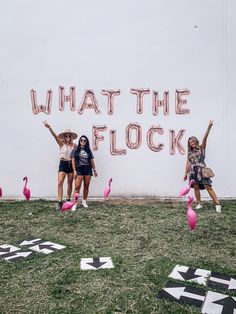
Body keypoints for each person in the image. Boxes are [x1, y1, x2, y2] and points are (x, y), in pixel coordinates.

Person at [184, 120, 221, 212]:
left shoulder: (201, 148)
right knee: (196, 187)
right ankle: (199, 203)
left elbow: (205, 137)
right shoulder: (190, 152)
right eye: (190, 143)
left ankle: (217, 204)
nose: (192, 144)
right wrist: (185, 173)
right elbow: (188, 163)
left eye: (193, 142)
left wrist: (209, 127)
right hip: (193, 171)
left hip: (202, 170)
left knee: (208, 186)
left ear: (196, 141)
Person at [43, 121, 78, 209]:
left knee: (70, 183)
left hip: (71, 164)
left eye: (69, 136)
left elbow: (79, 153)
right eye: (66, 136)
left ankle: (68, 199)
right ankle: (59, 201)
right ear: (64, 137)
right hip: (63, 163)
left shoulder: (74, 145)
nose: (68, 137)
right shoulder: (61, 143)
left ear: (71, 137)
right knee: (60, 182)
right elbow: (55, 136)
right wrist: (49, 128)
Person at [71, 135, 97, 209]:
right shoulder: (76, 149)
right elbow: (73, 160)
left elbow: (92, 160)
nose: (83, 141)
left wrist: (94, 170)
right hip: (79, 168)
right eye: (81, 140)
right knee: (77, 187)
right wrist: (74, 170)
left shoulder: (88, 150)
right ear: (79, 141)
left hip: (88, 168)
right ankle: (74, 203)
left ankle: (84, 201)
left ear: (86, 142)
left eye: (84, 140)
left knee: (86, 186)